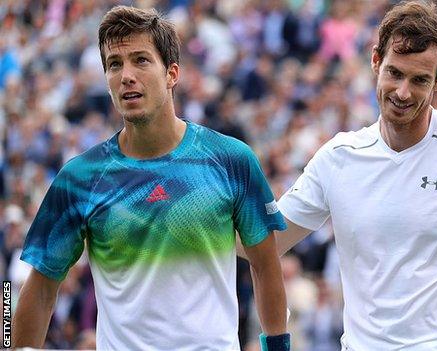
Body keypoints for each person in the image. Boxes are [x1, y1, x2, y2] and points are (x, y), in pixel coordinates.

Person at [241, 1, 437, 350]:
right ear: (376, 61)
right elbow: (263, 244)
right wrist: (188, 207)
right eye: (395, 73)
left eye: (419, 80)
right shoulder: (337, 158)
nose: (403, 92)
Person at [13, 6, 290, 351]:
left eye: (141, 60)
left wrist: (277, 347)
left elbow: (265, 265)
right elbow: (36, 288)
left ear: (172, 73)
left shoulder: (231, 160)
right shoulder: (79, 178)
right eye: (115, 64)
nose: (126, 75)